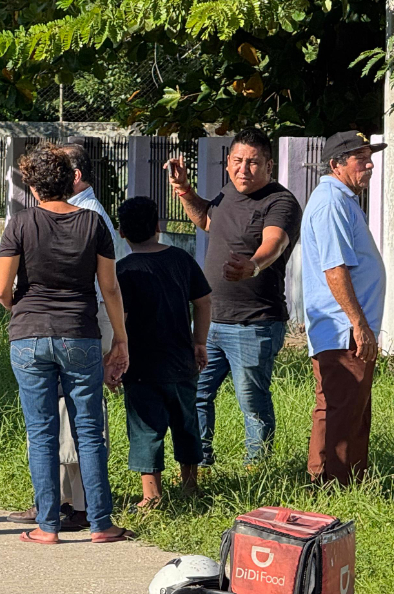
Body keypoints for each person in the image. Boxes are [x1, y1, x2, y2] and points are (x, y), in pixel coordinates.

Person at [0, 143, 132, 544]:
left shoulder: (19, 224)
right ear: (69, 181)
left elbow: (2, 289)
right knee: (89, 430)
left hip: (29, 336)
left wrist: (21, 306)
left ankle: (48, 526)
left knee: (42, 432)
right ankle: (101, 524)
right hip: (80, 335)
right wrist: (120, 339)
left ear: (32, 187)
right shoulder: (93, 224)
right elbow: (110, 288)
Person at [168, 127, 302, 466]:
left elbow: (276, 243)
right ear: (228, 163)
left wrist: (253, 265)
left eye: (254, 163)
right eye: (238, 161)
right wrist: (184, 190)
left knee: (251, 401)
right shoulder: (228, 193)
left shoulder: (280, 201)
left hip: (254, 323)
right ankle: (199, 465)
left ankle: (257, 470)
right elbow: (209, 221)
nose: (244, 169)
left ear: (269, 166)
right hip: (210, 321)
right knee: (197, 394)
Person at [299, 131, 388, 485]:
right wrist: (358, 323)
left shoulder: (342, 198)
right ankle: (330, 488)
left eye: (369, 156)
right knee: (341, 411)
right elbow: (334, 269)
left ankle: (341, 484)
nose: (368, 164)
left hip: (345, 329)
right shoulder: (332, 202)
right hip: (342, 330)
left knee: (348, 410)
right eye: (360, 158)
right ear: (336, 164)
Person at [115, 196, 212, 507]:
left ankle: (151, 497)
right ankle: (190, 485)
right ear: (158, 226)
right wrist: (199, 341)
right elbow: (203, 301)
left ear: (121, 232)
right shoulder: (182, 260)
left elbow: (122, 319)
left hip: (141, 367)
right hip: (182, 362)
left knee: (146, 428)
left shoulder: (124, 270)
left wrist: (116, 357)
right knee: (187, 424)